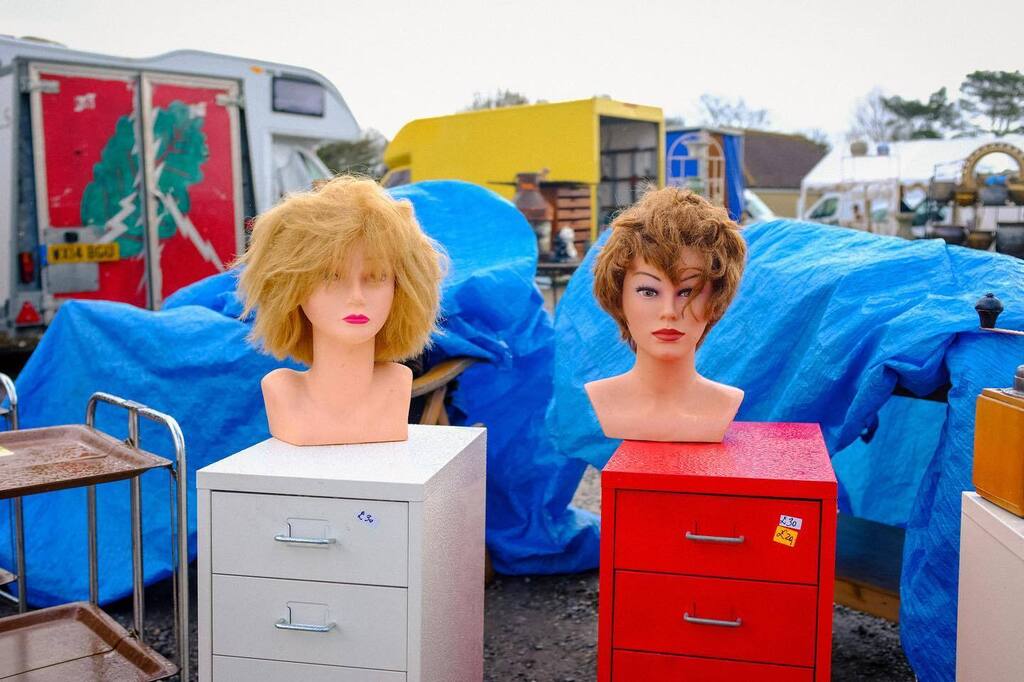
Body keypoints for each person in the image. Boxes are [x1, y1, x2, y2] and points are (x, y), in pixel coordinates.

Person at [235, 175, 445, 445]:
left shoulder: (398, 382)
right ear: (291, 288)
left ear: (402, 288)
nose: (356, 297)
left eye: (376, 276)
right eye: (332, 277)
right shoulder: (283, 391)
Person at [585, 187, 746, 442]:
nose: (668, 312)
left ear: (716, 300)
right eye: (649, 292)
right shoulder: (604, 400)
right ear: (618, 296)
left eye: (687, 292)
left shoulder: (724, 404)